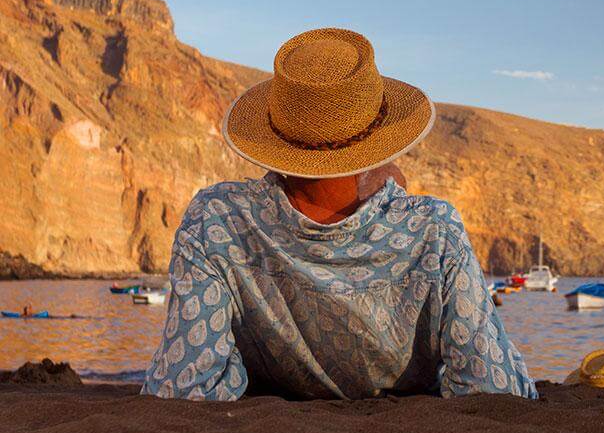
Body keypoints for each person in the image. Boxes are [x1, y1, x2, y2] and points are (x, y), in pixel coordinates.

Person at [141, 28, 537, 401]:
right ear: (378, 141)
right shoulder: (431, 229)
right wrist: (392, 194)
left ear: (276, 134)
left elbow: (183, 387)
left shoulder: (218, 221)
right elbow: (492, 385)